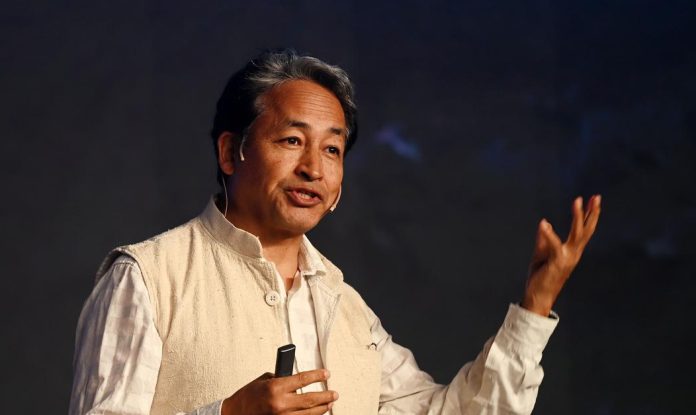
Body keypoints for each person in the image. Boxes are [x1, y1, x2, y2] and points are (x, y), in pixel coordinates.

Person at [69, 49, 601, 415]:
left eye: (332, 149)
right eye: (291, 141)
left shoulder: (345, 309)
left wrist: (535, 306)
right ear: (231, 152)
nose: (314, 169)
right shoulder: (147, 278)